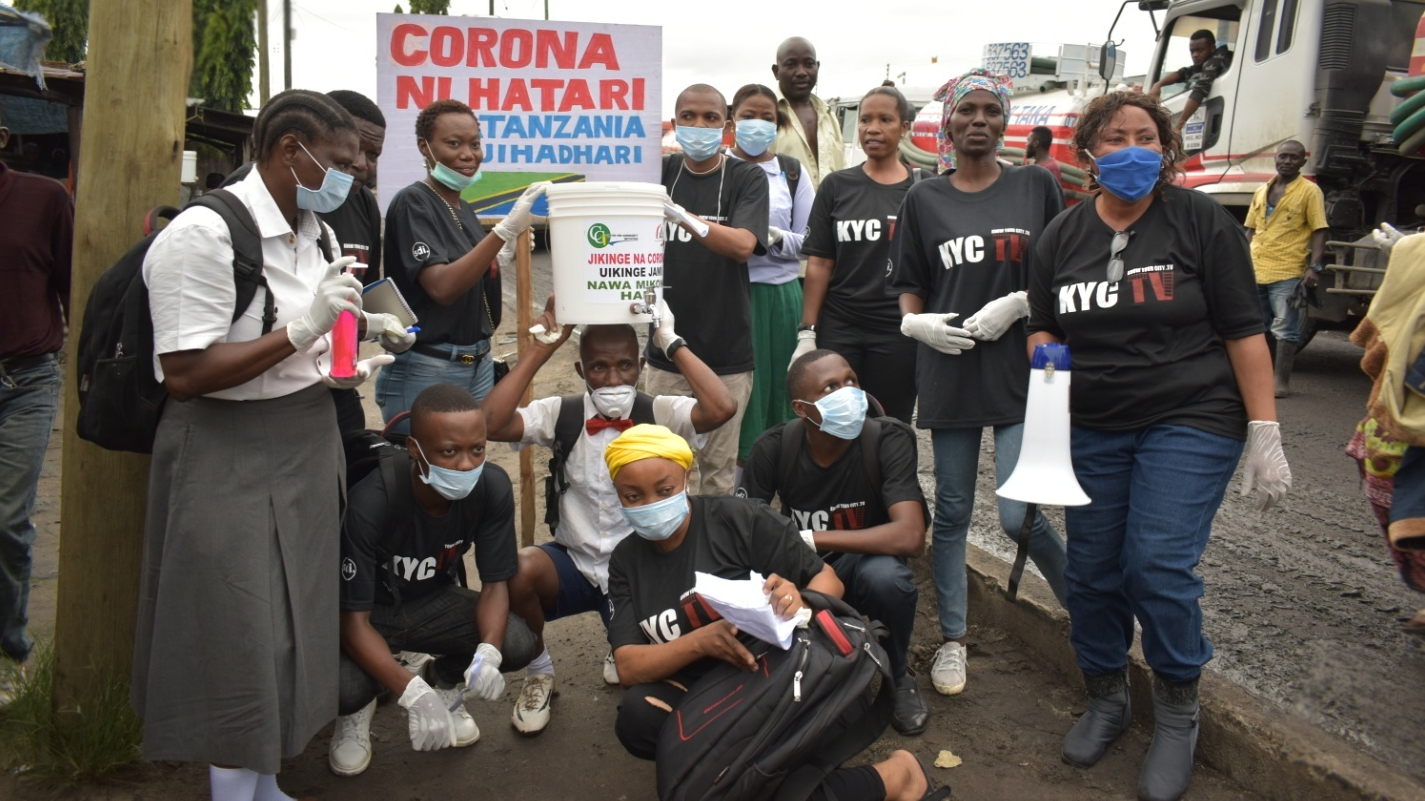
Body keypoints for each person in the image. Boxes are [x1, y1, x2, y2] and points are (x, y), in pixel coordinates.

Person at [131, 89, 401, 801]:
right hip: (228, 448)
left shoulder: (316, 231)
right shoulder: (205, 234)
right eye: (341, 161)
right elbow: (186, 372)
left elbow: (317, 331)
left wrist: (356, 345)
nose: (355, 175)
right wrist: (301, 331)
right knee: (236, 627)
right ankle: (232, 786)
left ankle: (266, 778)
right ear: (290, 150)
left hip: (305, 437)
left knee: (290, 620)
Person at [1026, 91, 1290, 801]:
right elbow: (1044, 324)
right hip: (1093, 424)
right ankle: (1106, 696)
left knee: (1156, 564)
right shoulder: (1062, 236)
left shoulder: (1200, 222)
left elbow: (1243, 328)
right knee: (1093, 572)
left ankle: (1177, 709)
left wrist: (1264, 429)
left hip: (1191, 415)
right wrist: (1046, 382)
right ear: (1088, 153)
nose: (1132, 149)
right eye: (1115, 137)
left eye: (1146, 137)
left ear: (1167, 150)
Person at [604, 425, 944, 801]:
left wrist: (800, 600)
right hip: (703, 696)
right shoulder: (625, 561)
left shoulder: (738, 519)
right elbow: (629, 666)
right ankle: (887, 779)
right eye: (633, 496)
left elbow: (828, 580)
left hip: (784, 680)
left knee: (744, 782)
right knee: (638, 718)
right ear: (617, 495)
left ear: (686, 477)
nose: (650, 504)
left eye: (664, 490)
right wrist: (700, 642)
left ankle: (895, 777)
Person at [886, 69, 1069, 700]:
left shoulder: (1035, 185)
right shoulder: (924, 198)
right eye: (967, 110)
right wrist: (916, 323)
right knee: (955, 510)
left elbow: (1062, 267)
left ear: (1005, 120)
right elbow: (909, 283)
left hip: (1023, 368)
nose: (979, 121)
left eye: (992, 110)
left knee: (1020, 515)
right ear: (948, 121)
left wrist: (1021, 302)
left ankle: (1089, 606)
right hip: (951, 367)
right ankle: (954, 640)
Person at [481, 294, 735, 735]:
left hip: (639, 570)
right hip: (576, 560)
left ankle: (623, 639)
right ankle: (540, 672)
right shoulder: (562, 413)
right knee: (518, 570)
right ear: (581, 370)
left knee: (645, 676)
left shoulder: (658, 411)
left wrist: (670, 340)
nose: (613, 377)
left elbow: (721, 407)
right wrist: (542, 348)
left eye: (624, 366)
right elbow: (490, 422)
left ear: (640, 366)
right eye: (599, 367)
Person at [329, 383, 535, 777]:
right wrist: (411, 693)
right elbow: (352, 622)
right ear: (414, 449)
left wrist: (487, 654)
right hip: (370, 614)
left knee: (515, 640)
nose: (466, 465)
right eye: (449, 452)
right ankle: (359, 711)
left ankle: (443, 682)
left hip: (431, 602)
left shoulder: (490, 488)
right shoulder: (373, 501)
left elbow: (495, 585)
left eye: (477, 449)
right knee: (345, 687)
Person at [739, 349, 931, 735]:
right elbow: (745, 531)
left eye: (851, 381)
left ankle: (898, 675)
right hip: (805, 576)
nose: (848, 392)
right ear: (801, 408)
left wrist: (809, 537)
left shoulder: (887, 439)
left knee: (888, 580)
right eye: (830, 388)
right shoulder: (774, 448)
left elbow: (911, 535)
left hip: (865, 566)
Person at [223, 89, 406, 435]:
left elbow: (352, 302)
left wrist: (378, 325)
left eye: (372, 154)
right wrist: (307, 327)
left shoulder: (356, 207)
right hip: (254, 408)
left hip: (332, 388)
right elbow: (191, 369)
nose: (360, 164)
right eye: (345, 156)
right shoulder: (238, 208)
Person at [377, 98, 546, 433]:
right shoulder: (414, 202)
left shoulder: (464, 208)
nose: (468, 154)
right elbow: (443, 287)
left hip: (476, 362)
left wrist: (500, 255)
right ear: (425, 147)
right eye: (453, 144)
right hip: (429, 367)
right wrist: (502, 232)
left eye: (475, 144)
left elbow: (474, 275)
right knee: (424, 461)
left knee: (470, 458)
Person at [654, 83, 769, 496]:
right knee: (665, 469)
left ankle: (715, 541)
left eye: (710, 118)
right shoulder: (658, 173)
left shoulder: (746, 177)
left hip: (727, 355)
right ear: (675, 121)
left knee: (718, 475)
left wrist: (682, 216)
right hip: (665, 352)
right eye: (688, 117)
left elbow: (742, 245)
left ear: (727, 126)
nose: (699, 126)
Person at [0, 109, 71, 704]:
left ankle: (10, 653)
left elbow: (74, 284)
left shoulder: (42, 198)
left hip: (25, 379)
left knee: (6, 519)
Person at [796, 86, 921, 424]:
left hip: (898, 332)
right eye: (865, 120)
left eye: (885, 120)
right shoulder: (836, 186)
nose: (873, 128)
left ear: (904, 127)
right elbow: (820, 263)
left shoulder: (921, 190)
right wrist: (807, 331)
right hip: (841, 327)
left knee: (890, 424)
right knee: (837, 422)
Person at [726, 83, 814, 471]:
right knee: (741, 390)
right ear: (732, 120)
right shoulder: (717, 167)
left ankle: (783, 471)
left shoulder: (791, 173)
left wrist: (776, 239)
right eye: (748, 116)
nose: (757, 124)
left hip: (782, 298)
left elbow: (812, 242)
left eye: (767, 118)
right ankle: (741, 482)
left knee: (783, 387)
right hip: (731, 295)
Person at [1245, 139, 1328, 397]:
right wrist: (1239, 261)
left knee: (1285, 328)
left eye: (1294, 157)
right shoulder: (1261, 191)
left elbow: (1320, 230)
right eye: (1283, 156)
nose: (1287, 161)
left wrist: (1315, 267)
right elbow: (1250, 230)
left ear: (1303, 162)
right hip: (1256, 267)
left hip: (1287, 270)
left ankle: (1280, 381)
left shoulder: (1310, 192)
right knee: (1257, 325)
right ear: (1275, 158)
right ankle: (1260, 377)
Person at [772, 37, 846, 190]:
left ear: (817, 67)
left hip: (832, 205)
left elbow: (843, 168)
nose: (801, 72)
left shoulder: (828, 115)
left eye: (809, 64)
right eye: (791, 64)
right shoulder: (766, 116)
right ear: (776, 71)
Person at [1147, 29, 1232, 131]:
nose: (1195, 55)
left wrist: (1178, 128)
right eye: (1192, 51)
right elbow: (1184, 73)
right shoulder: (1204, 63)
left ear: (1212, 48)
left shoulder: (1216, 60)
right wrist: (1158, 84)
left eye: (1200, 50)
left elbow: (1199, 91)